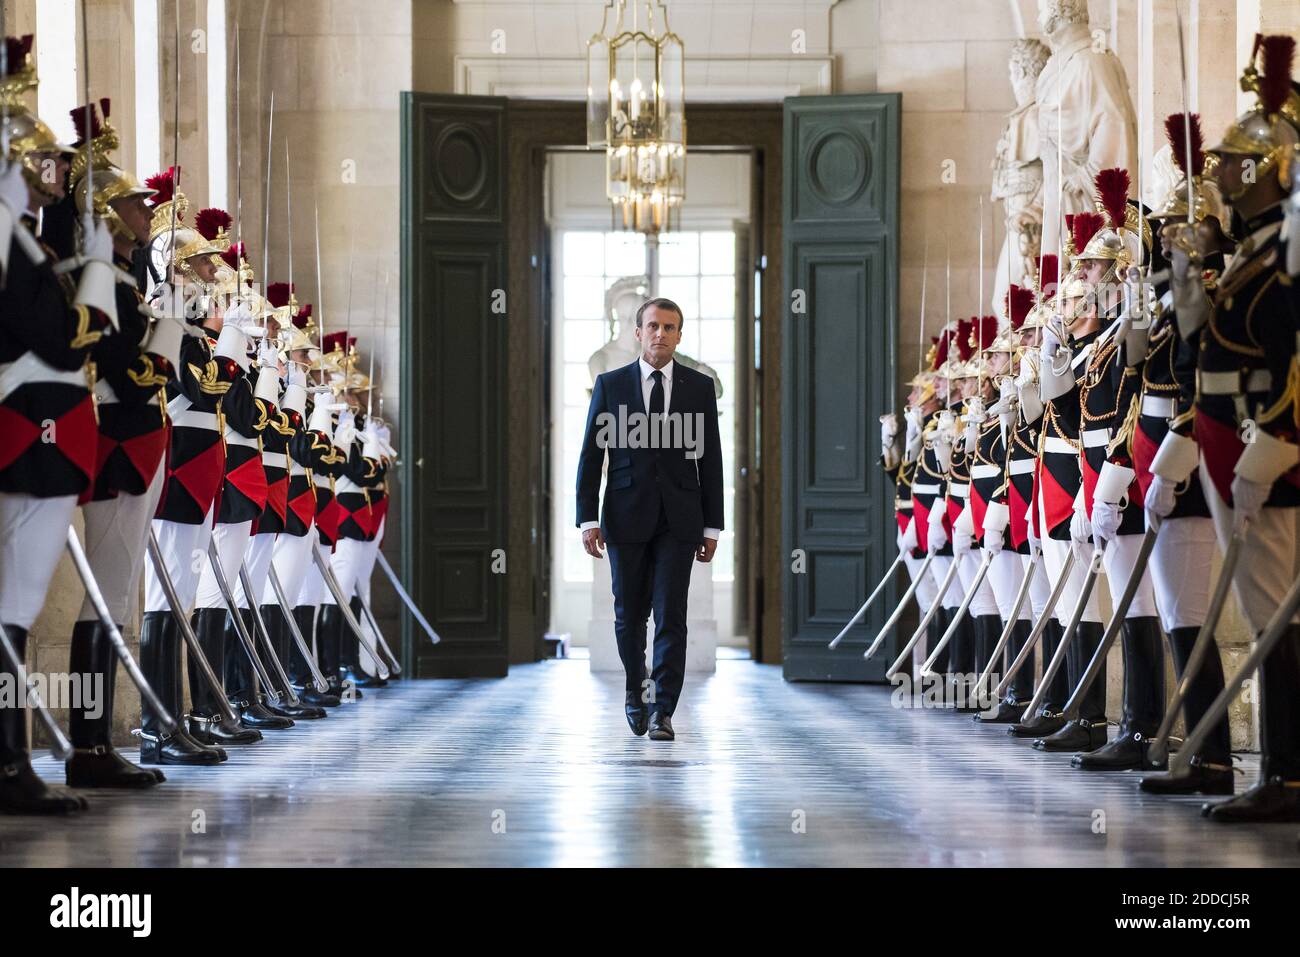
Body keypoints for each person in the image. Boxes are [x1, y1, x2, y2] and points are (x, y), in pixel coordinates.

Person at [576, 297, 724, 741]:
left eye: (670, 327)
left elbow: (711, 460)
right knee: (629, 616)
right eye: (653, 326)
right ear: (639, 332)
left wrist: (711, 526)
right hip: (624, 516)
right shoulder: (610, 384)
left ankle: (663, 709)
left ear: (680, 335)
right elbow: (590, 455)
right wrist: (587, 519)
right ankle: (634, 690)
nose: (661, 334)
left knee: (671, 615)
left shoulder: (698, 388)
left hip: (680, 520)